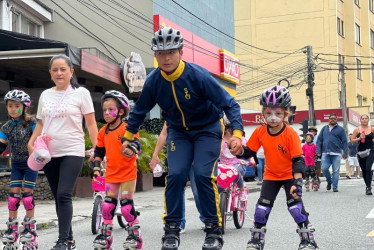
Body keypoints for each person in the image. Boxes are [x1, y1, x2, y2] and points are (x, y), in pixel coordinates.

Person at [120, 27, 243, 250]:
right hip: (178, 132)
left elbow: (230, 104)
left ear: (181, 52)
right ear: (155, 56)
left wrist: (237, 135)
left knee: (203, 175)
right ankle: (172, 230)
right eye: (161, 53)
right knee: (175, 175)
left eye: (172, 52)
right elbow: (139, 110)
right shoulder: (154, 81)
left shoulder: (198, 76)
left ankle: (213, 230)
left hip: (207, 128)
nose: (166, 58)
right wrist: (127, 138)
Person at [28, 54, 98, 250]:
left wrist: (98, 149)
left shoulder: (81, 93)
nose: (59, 73)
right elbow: (41, 122)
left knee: (64, 194)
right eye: (55, 70)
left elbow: (91, 123)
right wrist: (32, 142)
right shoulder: (45, 95)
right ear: (50, 73)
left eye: (63, 69)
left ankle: (63, 241)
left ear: (71, 71)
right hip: (48, 153)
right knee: (58, 196)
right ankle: (69, 238)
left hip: (72, 150)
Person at [235, 85, 318, 250]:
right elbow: (249, 151)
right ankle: (257, 239)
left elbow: (298, 159)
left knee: (295, 207)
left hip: (290, 175)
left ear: (286, 113)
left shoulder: (291, 133)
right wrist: (238, 150)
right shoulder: (260, 131)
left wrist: (298, 182)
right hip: (271, 175)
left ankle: (307, 239)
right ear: (263, 113)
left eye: (278, 113)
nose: (273, 117)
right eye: (268, 113)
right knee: (261, 209)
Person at [91, 90, 143, 249]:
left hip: (128, 173)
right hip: (112, 174)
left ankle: (135, 235)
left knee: (126, 206)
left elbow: (137, 144)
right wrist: (96, 168)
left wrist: (132, 149)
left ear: (121, 111)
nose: (106, 113)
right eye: (105, 110)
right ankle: (106, 236)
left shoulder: (127, 128)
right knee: (107, 206)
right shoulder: (103, 131)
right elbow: (99, 152)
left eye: (111, 109)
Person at [150, 122, 204, 234]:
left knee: (198, 190)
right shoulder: (172, 113)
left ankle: (207, 218)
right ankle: (178, 222)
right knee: (177, 188)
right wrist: (155, 155)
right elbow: (163, 134)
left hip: (196, 157)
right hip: (178, 157)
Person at [0, 90, 38, 248]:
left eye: (17, 106)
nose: (13, 109)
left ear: (25, 107)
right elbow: (1, 145)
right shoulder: (7, 126)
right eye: (10, 106)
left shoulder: (32, 123)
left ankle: (30, 230)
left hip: (31, 164)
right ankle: (12, 229)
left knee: (27, 197)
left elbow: (40, 140)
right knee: (13, 197)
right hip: (16, 164)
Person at [316, 113, 348, 192]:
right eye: (331, 118)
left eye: (334, 118)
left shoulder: (340, 129)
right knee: (324, 168)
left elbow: (344, 141)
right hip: (325, 153)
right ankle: (329, 181)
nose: (333, 119)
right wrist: (318, 151)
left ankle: (335, 186)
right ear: (329, 119)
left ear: (336, 119)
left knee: (336, 171)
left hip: (336, 153)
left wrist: (345, 152)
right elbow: (319, 140)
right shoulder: (324, 128)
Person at [219, 120, 248, 201]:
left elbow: (247, 150)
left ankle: (242, 190)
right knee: (218, 183)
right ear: (228, 130)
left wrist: (251, 160)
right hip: (223, 165)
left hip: (237, 164)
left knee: (235, 170)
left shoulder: (240, 139)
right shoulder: (220, 140)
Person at [351, 114, 374, 195]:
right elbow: (352, 141)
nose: (364, 120)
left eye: (366, 118)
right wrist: (359, 138)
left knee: (368, 168)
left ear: (368, 120)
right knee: (364, 170)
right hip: (361, 152)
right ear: (360, 120)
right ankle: (367, 185)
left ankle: (369, 188)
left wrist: (372, 140)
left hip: (371, 150)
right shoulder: (357, 130)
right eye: (363, 118)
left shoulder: (372, 129)